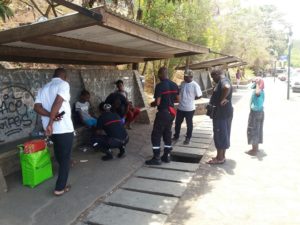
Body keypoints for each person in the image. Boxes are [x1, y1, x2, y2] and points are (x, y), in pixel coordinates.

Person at [34, 68, 74, 196]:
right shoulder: (63, 84)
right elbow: (58, 102)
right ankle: (60, 188)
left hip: (50, 130)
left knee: (58, 151)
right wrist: (52, 120)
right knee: (66, 157)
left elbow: (37, 107)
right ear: (64, 76)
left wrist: (50, 118)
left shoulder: (43, 88)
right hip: (63, 128)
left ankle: (64, 166)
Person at [146, 67, 179, 165]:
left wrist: (152, 104)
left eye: (158, 74)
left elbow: (158, 102)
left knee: (156, 135)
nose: (158, 76)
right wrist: (170, 101)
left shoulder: (160, 86)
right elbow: (178, 99)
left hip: (163, 113)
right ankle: (166, 156)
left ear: (160, 74)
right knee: (167, 133)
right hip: (171, 112)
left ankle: (156, 158)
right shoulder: (174, 85)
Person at [207, 69, 233, 165]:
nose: (213, 79)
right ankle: (221, 156)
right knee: (224, 134)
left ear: (217, 74)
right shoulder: (225, 80)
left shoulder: (223, 81)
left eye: (213, 77)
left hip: (221, 114)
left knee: (220, 134)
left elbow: (226, 87)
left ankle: (220, 158)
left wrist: (222, 99)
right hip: (225, 113)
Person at [173, 69, 202, 144]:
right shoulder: (182, 83)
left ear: (191, 76)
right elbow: (179, 92)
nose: (185, 78)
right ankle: (176, 136)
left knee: (189, 124)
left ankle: (188, 138)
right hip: (180, 107)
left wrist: (192, 98)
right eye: (184, 76)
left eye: (187, 77)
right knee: (177, 123)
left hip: (189, 108)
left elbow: (199, 95)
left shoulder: (195, 85)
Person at [246, 77, 265, 156]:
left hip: (255, 113)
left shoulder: (259, 91)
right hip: (259, 112)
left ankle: (254, 150)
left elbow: (257, 92)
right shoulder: (261, 91)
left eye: (256, 82)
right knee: (257, 130)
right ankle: (255, 148)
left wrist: (257, 83)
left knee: (253, 130)